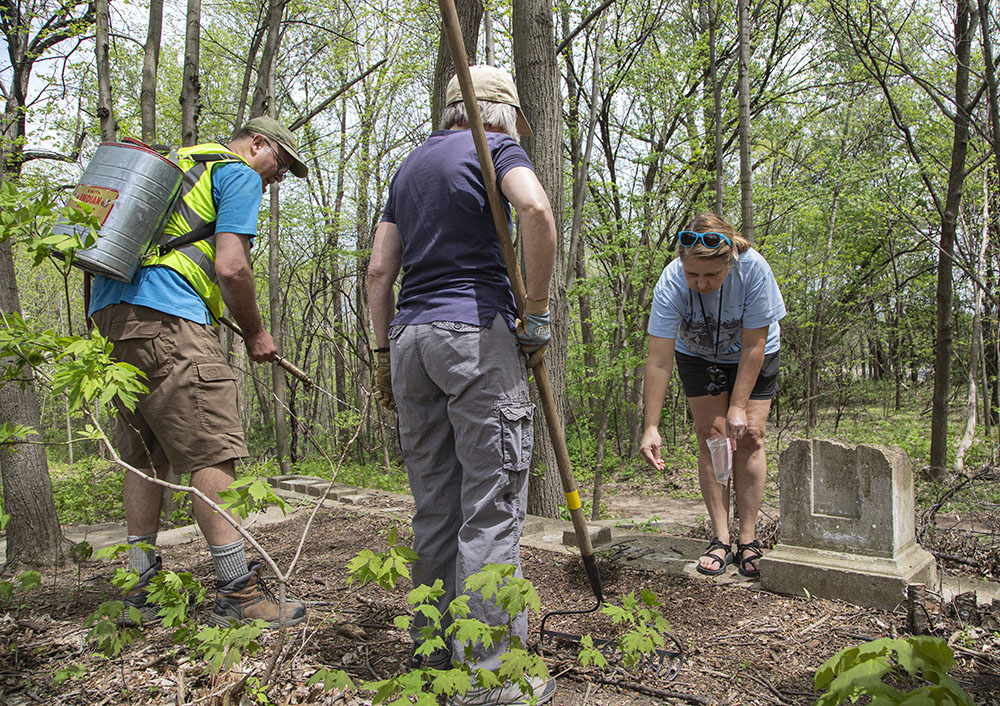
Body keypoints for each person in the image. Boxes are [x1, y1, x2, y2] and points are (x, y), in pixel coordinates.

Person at [367, 65, 557, 706]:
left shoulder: (409, 166)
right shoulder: (495, 147)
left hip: (410, 342)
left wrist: (379, 351)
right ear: (501, 114)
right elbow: (533, 207)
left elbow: (376, 273)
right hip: (474, 334)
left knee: (436, 505)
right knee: (490, 506)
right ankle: (489, 676)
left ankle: (432, 656)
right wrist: (536, 308)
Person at [89, 116, 309, 627]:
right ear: (257, 143)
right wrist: (255, 333)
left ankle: (139, 587)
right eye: (280, 163)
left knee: (147, 457)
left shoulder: (170, 166)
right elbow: (232, 266)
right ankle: (238, 594)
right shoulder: (236, 173)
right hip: (173, 322)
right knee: (214, 449)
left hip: (115, 319)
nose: (278, 177)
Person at [639, 213, 785, 579]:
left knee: (750, 433)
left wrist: (737, 406)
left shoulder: (752, 270)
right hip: (699, 354)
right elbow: (658, 360)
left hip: (754, 352)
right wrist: (651, 426)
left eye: (711, 276)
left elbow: (755, 341)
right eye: (694, 275)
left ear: (729, 262)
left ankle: (748, 539)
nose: (701, 283)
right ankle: (720, 538)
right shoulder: (672, 280)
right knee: (712, 437)